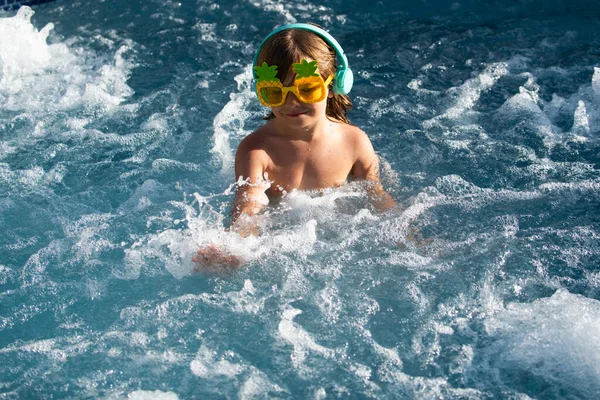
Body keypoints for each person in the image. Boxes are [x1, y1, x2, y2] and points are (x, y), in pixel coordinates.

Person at [193, 23, 395, 271]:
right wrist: (234, 247)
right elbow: (248, 206)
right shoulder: (256, 151)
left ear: (334, 85)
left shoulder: (353, 142)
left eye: (307, 88)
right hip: (282, 249)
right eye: (275, 93)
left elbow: (376, 196)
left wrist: (407, 235)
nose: (292, 102)